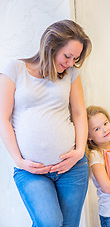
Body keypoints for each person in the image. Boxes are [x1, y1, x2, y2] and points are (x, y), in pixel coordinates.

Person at [0, 19, 92, 227]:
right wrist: (19, 160)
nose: (69, 63)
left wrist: (79, 151)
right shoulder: (14, 69)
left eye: (75, 58)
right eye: (67, 56)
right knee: (49, 223)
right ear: (50, 46)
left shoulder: (70, 74)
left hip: (72, 168)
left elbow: (78, 113)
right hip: (30, 171)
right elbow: (3, 119)